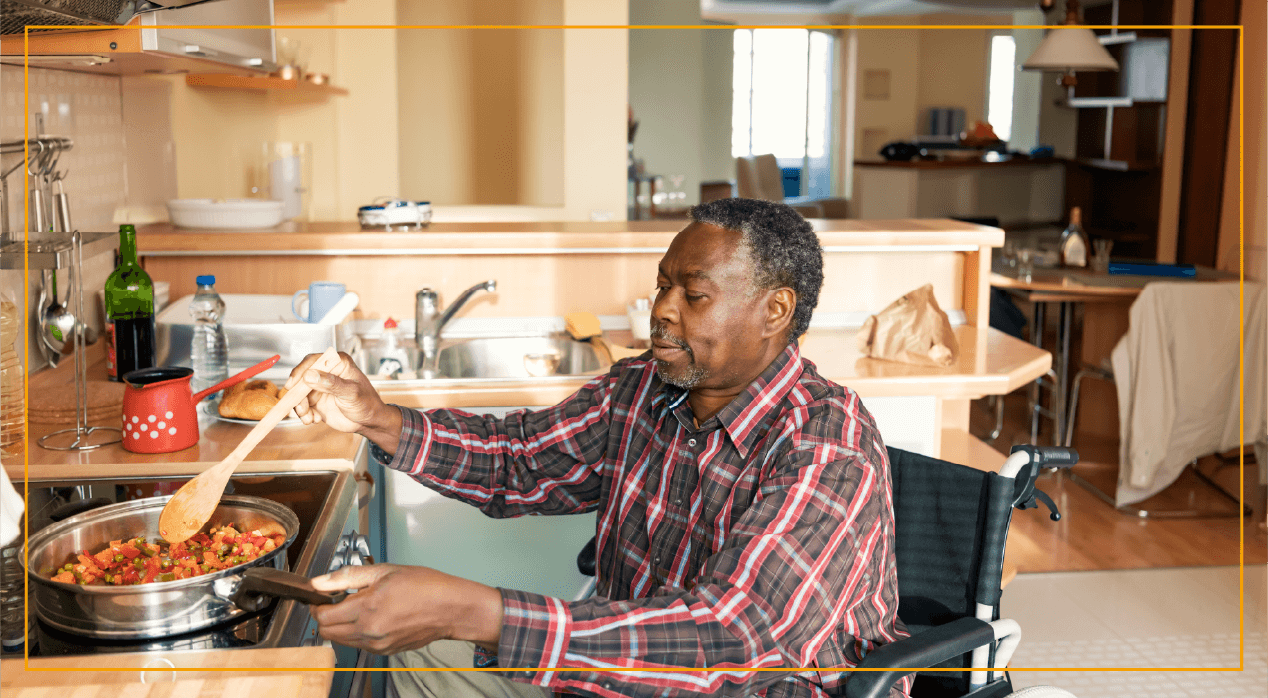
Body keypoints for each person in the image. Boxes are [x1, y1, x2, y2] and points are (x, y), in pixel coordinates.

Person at [289, 198, 911, 698]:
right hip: (620, 675)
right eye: (662, 286)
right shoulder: (641, 388)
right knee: (418, 648)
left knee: (450, 630)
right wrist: (379, 420)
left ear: (775, 311)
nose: (662, 311)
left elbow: (731, 637)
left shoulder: (826, 444)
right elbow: (520, 457)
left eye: (692, 295)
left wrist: (478, 611)